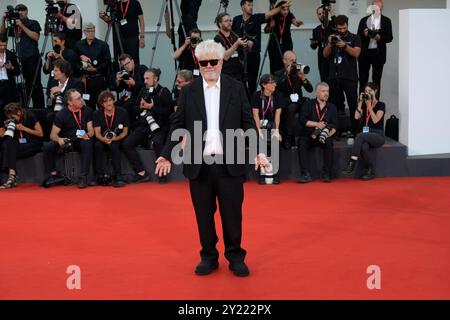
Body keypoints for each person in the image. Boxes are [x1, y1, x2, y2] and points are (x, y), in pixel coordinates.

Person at [155, 40, 270, 277]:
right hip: (200, 165)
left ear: (221, 62)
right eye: (204, 61)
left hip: (230, 163)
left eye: (213, 61)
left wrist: (259, 150)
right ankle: (208, 256)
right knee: (203, 215)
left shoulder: (236, 87)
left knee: (232, 215)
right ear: (198, 62)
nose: (209, 66)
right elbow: (176, 125)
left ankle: (235, 256)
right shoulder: (188, 91)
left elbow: (248, 122)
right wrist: (166, 154)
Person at [122, 68, 172, 184]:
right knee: (127, 144)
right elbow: (134, 108)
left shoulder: (164, 92)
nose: (145, 81)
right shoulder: (143, 91)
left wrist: (152, 108)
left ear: (155, 79)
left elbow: (168, 112)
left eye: (147, 78)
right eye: (144, 78)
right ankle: (141, 173)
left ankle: (162, 174)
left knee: (158, 143)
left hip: (159, 125)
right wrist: (140, 107)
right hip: (144, 125)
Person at [232, 0, 292, 95]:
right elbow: (233, 35)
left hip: (254, 55)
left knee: (252, 81)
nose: (251, 7)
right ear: (243, 7)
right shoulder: (236, 19)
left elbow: (271, 13)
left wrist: (282, 6)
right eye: (249, 5)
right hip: (240, 55)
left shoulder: (256, 18)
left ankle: (252, 103)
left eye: (252, 5)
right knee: (240, 80)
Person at [42, 89, 94, 189]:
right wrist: (59, 139)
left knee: (87, 142)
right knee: (47, 146)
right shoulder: (61, 114)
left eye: (81, 97)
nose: (81, 100)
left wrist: (88, 135)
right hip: (67, 140)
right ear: (70, 102)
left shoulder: (87, 110)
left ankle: (83, 177)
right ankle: (54, 175)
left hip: (81, 140)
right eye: (78, 99)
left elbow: (91, 130)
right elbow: (53, 135)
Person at [323, 15, 361, 136]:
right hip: (334, 77)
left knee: (353, 104)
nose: (342, 31)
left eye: (344, 28)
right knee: (334, 106)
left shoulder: (354, 37)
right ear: (336, 27)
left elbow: (356, 53)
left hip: (350, 77)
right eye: (340, 28)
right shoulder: (332, 38)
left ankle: (355, 130)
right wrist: (330, 44)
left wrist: (344, 45)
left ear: (347, 25)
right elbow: (325, 54)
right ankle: (335, 131)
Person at [1, 4, 45, 108]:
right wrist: (3, 20)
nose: (20, 12)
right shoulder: (14, 26)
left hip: (33, 58)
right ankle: (27, 108)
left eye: (22, 10)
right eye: (18, 11)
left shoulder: (33, 23)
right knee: (27, 85)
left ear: (26, 11)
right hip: (21, 59)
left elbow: (36, 37)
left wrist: (21, 25)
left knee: (36, 85)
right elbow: (3, 35)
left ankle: (39, 108)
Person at [342, 82, 385, 180]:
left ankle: (352, 161)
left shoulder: (381, 105)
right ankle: (370, 170)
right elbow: (356, 117)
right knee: (364, 147)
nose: (367, 93)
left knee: (360, 135)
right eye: (366, 91)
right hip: (366, 135)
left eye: (370, 91)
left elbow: (375, 120)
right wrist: (361, 102)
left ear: (375, 91)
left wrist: (370, 106)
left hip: (377, 135)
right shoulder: (364, 106)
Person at [298, 82, 338, 183]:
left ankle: (327, 174)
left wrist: (327, 135)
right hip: (310, 134)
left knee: (329, 143)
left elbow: (336, 126)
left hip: (324, 136)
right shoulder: (308, 104)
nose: (326, 93)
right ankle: (305, 174)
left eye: (327, 91)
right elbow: (302, 120)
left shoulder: (332, 107)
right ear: (317, 93)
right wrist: (317, 124)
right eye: (323, 91)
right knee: (302, 142)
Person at [275, 50, 313, 149]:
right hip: (286, 101)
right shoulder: (278, 73)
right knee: (290, 108)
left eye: (295, 60)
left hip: (298, 102)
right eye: (292, 60)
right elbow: (276, 87)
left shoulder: (298, 72)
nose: (294, 63)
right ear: (284, 61)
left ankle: (309, 137)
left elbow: (310, 89)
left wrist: (303, 78)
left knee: (299, 106)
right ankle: (288, 137)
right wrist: (286, 75)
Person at [0, 103, 43, 189]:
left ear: (19, 113)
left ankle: (11, 177)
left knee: (6, 149)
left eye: (13, 117)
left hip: (32, 143)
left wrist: (24, 128)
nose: (11, 119)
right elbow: (1, 135)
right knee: (8, 143)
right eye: (9, 117)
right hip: (17, 144)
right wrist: (6, 128)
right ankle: (12, 175)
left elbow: (40, 133)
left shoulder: (29, 115)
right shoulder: (7, 118)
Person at [93, 90, 129, 187]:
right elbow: (97, 133)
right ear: (101, 103)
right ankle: (98, 176)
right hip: (102, 139)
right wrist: (104, 139)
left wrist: (115, 138)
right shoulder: (97, 113)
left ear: (113, 100)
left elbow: (125, 132)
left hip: (117, 138)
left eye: (110, 100)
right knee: (97, 146)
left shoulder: (122, 112)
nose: (108, 103)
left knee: (114, 146)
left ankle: (119, 176)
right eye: (105, 101)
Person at [251, 74, 283, 184]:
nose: (275, 84)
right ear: (264, 85)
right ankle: (262, 173)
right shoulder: (256, 96)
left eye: (274, 82)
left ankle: (276, 173)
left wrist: (276, 129)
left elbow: (278, 115)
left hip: (273, 125)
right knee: (261, 142)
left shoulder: (277, 95)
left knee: (275, 142)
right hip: (259, 125)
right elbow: (256, 115)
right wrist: (258, 130)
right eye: (271, 82)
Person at [357, 0, 393, 94]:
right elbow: (358, 37)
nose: (377, 11)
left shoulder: (386, 21)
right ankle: (362, 105)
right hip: (364, 54)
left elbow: (389, 38)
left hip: (379, 54)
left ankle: (375, 105)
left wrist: (378, 37)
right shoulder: (364, 20)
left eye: (379, 9)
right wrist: (365, 34)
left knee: (376, 81)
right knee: (362, 80)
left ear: (382, 9)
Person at [75, 23, 111, 110]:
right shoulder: (78, 44)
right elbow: (74, 61)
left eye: (93, 31)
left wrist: (95, 69)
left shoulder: (103, 45)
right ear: (84, 32)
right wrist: (80, 61)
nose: (91, 33)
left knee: (102, 104)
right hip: (85, 80)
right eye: (88, 31)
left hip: (98, 79)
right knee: (88, 106)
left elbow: (108, 62)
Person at [99, 0, 145, 65]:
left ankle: (135, 74)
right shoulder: (116, 4)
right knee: (122, 60)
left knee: (134, 60)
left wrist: (142, 37)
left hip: (132, 37)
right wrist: (103, 17)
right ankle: (124, 74)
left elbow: (141, 20)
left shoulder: (135, 3)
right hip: (120, 38)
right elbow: (111, 21)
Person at [266, 0, 303, 74]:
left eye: (287, 10)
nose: (286, 12)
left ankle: (288, 82)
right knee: (275, 67)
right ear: (279, 9)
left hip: (287, 44)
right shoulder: (273, 16)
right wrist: (270, 26)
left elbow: (295, 22)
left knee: (288, 65)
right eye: (283, 9)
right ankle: (275, 83)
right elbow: (266, 30)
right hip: (274, 45)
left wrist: (298, 23)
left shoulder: (289, 15)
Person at [214, 12, 247, 83]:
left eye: (230, 20)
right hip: (227, 74)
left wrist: (247, 44)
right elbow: (225, 56)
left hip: (239, 72)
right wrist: (237, 44)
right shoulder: (217, 39)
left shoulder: (235, 36)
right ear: (220, 24)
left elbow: (243, 52)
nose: (229, 23)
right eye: (226, 21)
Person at [115, 53, 147, 119]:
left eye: (128, 63)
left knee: (124, 108)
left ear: (132, 61)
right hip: (127, 97)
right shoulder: (125, 73)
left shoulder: (141, 68)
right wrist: (118, 80)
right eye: (124, 65)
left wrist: (134, 83)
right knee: (114, 106)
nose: (126, 66)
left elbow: (147, 85)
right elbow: (118, 90)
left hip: (138, 97)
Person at [310, 4, 336, 82]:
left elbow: (338, 25)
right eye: (319, 14)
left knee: (334, 81)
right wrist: (313, 43)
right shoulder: (316, 30)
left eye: (323, 13)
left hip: (333, 57)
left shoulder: (332, 26)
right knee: (324, 80)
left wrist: (332, 12)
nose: (321, 15)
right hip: (322, 59)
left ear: (326, 13)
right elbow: (313, 47)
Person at [0, 34, 20, 112]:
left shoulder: (11, 55)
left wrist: (11, 68)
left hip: (8, 84)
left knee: (8, 109)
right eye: (0, 45)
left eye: (4, 45)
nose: (2, 47)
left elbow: (18, 72)